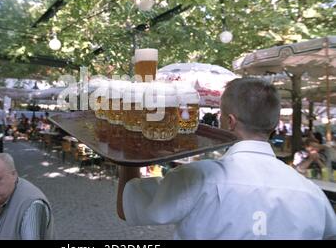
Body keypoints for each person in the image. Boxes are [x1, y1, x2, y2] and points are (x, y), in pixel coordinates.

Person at [117, 77, 336, 239]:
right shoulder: (312, 194)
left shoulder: (197, 178)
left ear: (230, 122)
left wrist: (127, 151)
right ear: (274, 124)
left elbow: (128, 208)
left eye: (220, 116)